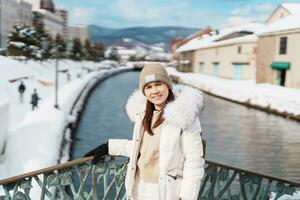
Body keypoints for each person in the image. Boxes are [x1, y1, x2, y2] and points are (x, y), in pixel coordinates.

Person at [84, 63, 205, 200]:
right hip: (138, 186)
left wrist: (187, 197)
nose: (154, 91)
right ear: (144, 92)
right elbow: (145, 148)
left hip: (165, 190)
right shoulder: (144, 115)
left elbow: (194, 160)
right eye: (148, 87)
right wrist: (109, 146)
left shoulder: (184, 115)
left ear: (168, 85)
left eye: (158, 84)